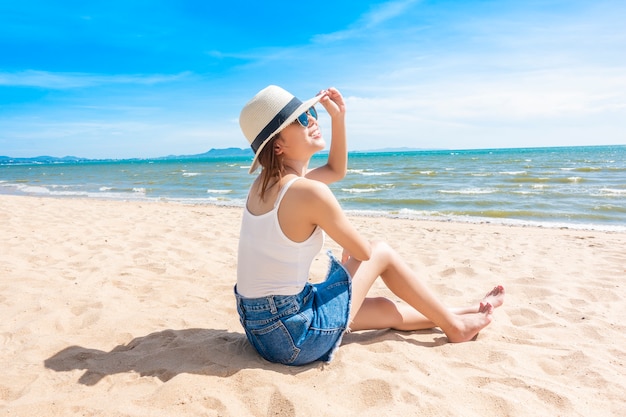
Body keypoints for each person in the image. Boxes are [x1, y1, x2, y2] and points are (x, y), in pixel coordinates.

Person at [235, 85, 505, 366]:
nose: (313, 120)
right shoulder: (308, 192)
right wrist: (351, 248)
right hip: (294, 337)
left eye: (312, 113)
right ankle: (457, 328)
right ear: (278, 145)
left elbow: (336, 171)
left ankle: (466, 311)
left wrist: (339, 119)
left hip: (261, 331)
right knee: (381, 250)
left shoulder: (263, 186)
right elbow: (364, 252)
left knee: (383, 309)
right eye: (301, 119)